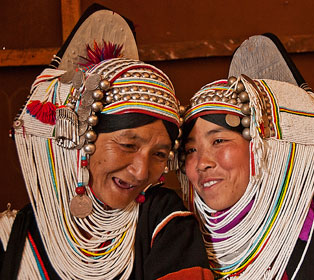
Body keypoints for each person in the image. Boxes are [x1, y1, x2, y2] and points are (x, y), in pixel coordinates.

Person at [0, 6, 213, 280]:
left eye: (159, 154)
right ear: (82, 140)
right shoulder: (14, 235)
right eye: (127, 145)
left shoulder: (163, 220)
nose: (140, 171)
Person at [177, 34, 314, 279]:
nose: (202, 163)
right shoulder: (180, 245)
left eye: (219, 141)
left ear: (263, 147)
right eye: (190, 150)